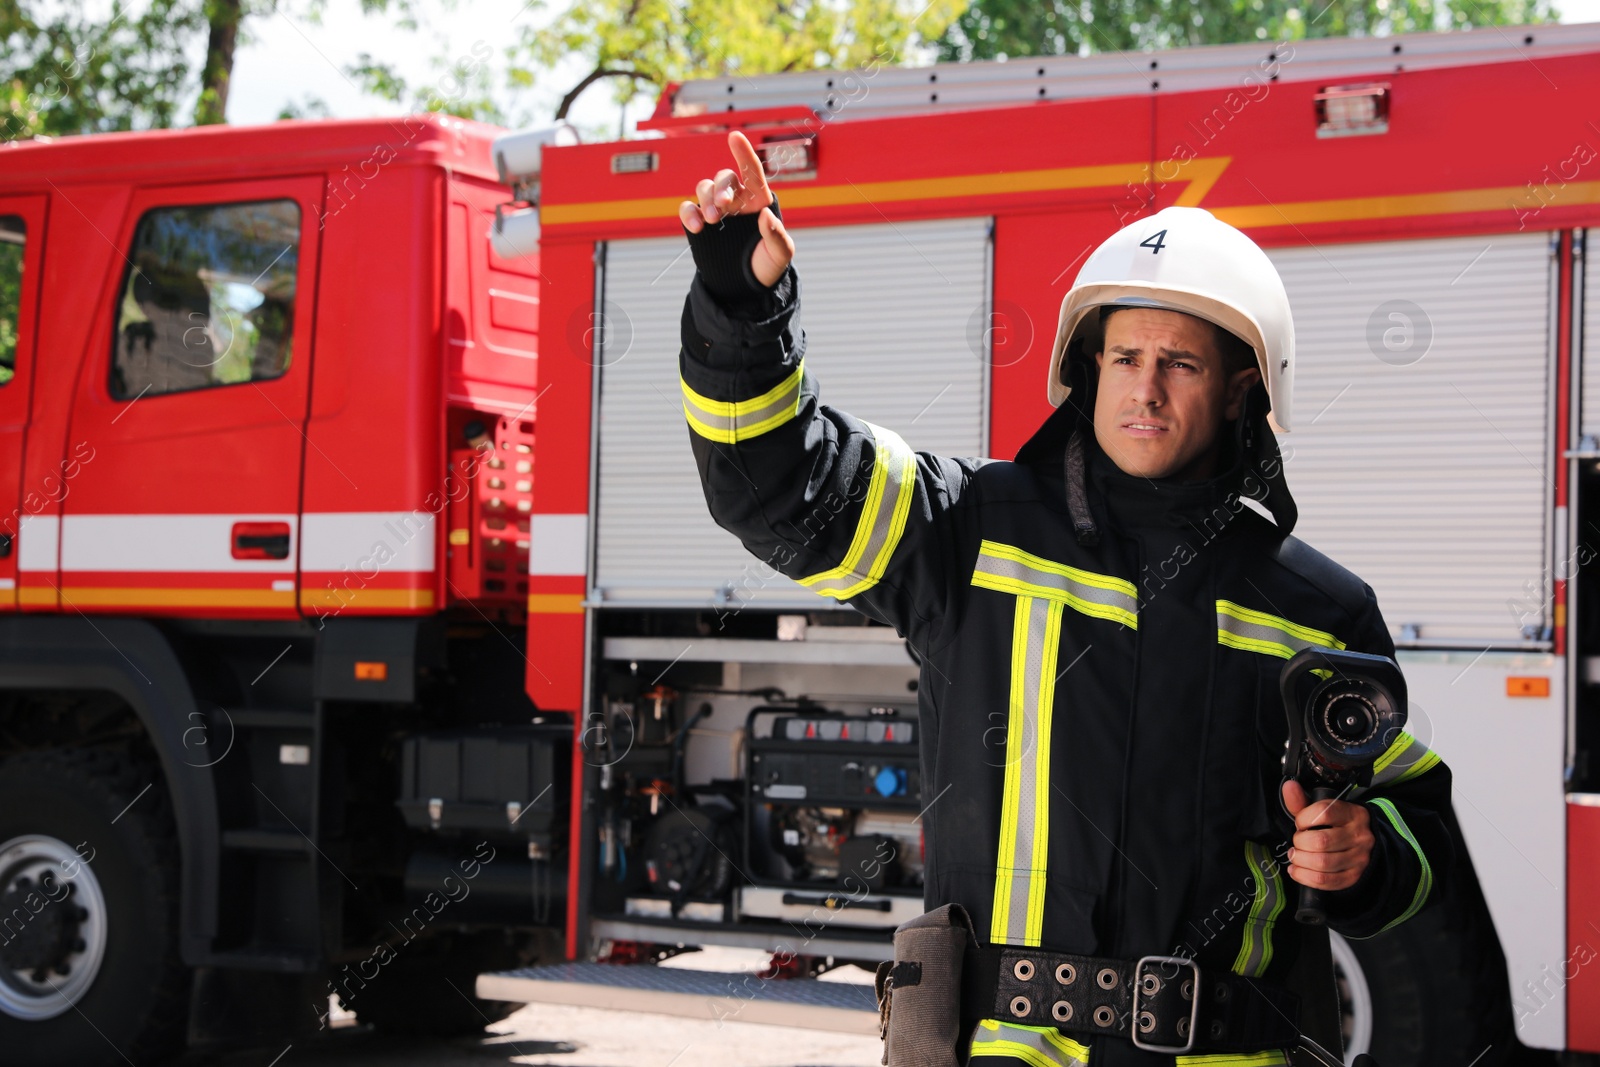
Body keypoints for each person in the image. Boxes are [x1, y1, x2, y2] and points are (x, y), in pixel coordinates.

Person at [677, 131, 1453, 1066]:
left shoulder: (1319, 609)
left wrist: (1368, 858)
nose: (1147, 392)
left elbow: (1419, 825)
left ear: (1247, 386)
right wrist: (740, 308)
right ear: (1087, 370)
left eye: (1183, 363)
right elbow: (775, 486)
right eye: (1126, 359)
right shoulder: (965, 528)